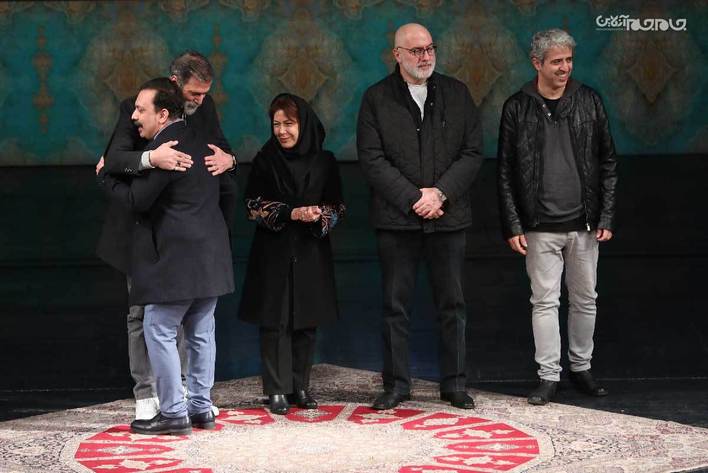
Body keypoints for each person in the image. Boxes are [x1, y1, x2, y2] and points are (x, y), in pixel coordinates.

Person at [95, 51, 236, 421]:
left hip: (186, 231)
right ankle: (147, 392)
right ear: (175, 84)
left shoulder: (204, 109)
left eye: (205, 94)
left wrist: (231, 160)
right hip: (141, 229)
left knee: (191, 322)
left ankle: (185, 396)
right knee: (143, 314)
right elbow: (114, 158)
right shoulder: (138, 107)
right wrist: (150, 158)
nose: (200, 100)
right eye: (194, 93)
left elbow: (221, 151)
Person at [357, 23, 483, 410]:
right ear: (397, 55)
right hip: (398, 220)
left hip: (449, 217)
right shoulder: (376, 98)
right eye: (416, 50)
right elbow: (372, 159)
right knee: (395, 307)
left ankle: (455, 384)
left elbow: (472, 152)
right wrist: (415, 199)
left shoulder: (457, 93)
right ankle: (396, 386)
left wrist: (440, 194)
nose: (425, 56)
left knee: (453, 305)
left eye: (430, 48)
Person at [497, 29, 618, 406]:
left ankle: (581, 368)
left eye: (569, 60)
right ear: (537, 63)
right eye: (556, 62)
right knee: (544, 302)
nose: (565, 68)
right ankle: (548, 376)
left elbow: (608, 161)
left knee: (585, 299)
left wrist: (606, 214)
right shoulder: (517, 106)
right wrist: (513, 224)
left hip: (585, 223)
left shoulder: (589, 100)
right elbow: (505, 171)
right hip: (539, 226)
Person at [238, 93, 345, 415]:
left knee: (306, 320)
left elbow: (338, 206)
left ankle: (300, 386)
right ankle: (276, 389)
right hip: (272, 252)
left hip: (311, 249)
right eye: (277, 124)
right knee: (275, 321)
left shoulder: (325, 161)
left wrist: (320, 215)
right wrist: (291, 213)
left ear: (304, 124)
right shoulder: (265, 159)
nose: (282, 131)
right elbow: (252, 206)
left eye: (289, 123)